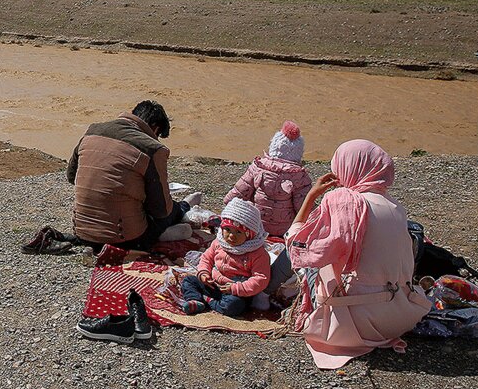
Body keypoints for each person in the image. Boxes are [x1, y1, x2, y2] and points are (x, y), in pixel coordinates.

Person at [286, 139, 431, 369]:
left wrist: (311, 196)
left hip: (356, 326)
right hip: (402, 315)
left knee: (310, 255)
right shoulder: (395, 207)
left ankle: (311, 313)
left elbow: (295, 244)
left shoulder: (344, 200)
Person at [67, 100, 197, 252]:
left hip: (82, 233)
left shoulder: (92, 131)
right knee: (171, 209)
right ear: (155, 128)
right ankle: (184, 208)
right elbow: (160, 210)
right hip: (127, 240)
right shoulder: (152, 148)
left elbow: (71, 176)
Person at [179, 199, 271, 317]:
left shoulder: (257, 253)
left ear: (250, 235)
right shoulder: (219, 243)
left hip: (236, 291)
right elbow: (207, 258)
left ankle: (207, 300)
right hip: (213, 283)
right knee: (188, 281)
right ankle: (195, 300)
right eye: (227, 230)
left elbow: (261, 279)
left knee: (233, 306)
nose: (231, 236)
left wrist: (236, 288)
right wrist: (204, 273)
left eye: (238, 232)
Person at [223, 121, 312, 237]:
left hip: (255, 224)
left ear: (274, 146)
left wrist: (228, 203)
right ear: (298, 153)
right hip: (284, 229)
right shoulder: (299, 176)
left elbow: (240, 191)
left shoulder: (258, 167)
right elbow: (303, 206)